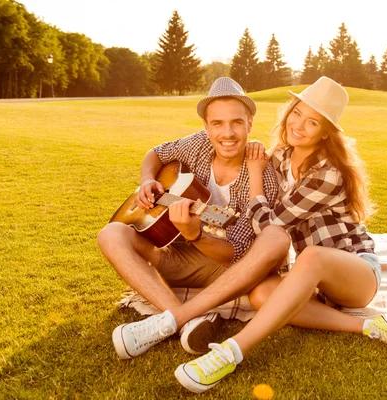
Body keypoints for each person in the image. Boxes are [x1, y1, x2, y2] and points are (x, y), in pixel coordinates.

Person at [174, 76, 387, 394]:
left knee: (310, 256)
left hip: (356, 272)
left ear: (325, 132)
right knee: (260, 295)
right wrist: (205, 216)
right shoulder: (281, 156)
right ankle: (371, 326)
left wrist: (255, 175)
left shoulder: (327, 173)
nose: (299, 125)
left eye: (312, 122)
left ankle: (232, 352)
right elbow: (248, 215)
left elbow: (272, 226)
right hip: (315, 281)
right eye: (297, 113)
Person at [97, 77, 290, 359]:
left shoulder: (264, 179)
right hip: (178, 254)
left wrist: (194, 233)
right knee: (111, 234)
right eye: (218, 123)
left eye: (237, 122)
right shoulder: (197, 145)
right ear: (206, 127)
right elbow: (156, 153)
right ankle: (186, 320)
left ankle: (173, 318)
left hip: (227, 271)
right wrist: (148, 180)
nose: (228, 133)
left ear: (250, 125)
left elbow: (234, 257)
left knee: (244, 265)